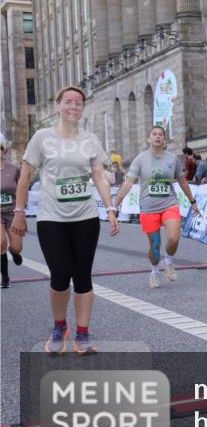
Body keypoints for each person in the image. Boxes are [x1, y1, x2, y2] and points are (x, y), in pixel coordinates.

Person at [11, 86, 120, 355]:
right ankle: (60, 326)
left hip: (85, 217)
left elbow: (98, 176)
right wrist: (19, 212)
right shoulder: (42, 138)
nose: (73, 106)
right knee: (60, 275)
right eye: (68, 102)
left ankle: (83, 335)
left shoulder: (90, 139)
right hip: (51, 218)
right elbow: (24, 177)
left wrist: (110, 208)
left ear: (83, 108)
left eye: (78, 103)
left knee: (83, 276)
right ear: (58, 104)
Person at [115, 125, 201, 289]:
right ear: (149, 139)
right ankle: (154, 272)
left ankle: (168, 261)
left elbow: (182, 181)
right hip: (148, 207)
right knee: (155, 247)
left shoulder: (172, 158)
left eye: (160, 134)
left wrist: (193, 202)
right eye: (154, 134)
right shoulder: (140, 159)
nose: (157, 136)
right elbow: (128, 182)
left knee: (174, 238)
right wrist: (115, 205)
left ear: (164, 139)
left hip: (169, 203)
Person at [1, 140, 24, 288]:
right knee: (0, 243)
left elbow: (21, 188)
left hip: (12, 212)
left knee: (16, 247)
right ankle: (5, 278)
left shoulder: (13, 169)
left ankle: (14, 253)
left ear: (4, 152)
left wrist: (21, 211)